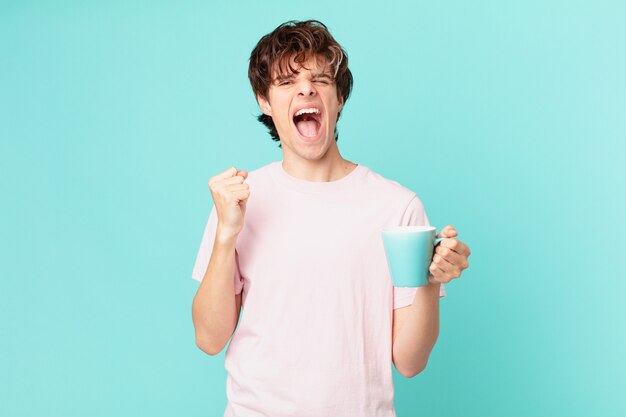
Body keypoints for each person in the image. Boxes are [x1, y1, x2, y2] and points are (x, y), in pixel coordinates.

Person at [191, 19, 471, 417]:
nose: (306, 88)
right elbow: (209, 337)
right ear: (264, 102)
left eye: (321, 79)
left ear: (339, 98)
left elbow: (410, 362)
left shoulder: (397, 206)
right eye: (287, 82)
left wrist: (429, 281)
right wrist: (225, 236)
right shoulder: (239, 200)